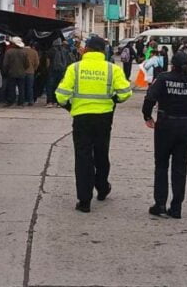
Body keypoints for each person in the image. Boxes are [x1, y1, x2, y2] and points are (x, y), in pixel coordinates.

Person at [55, 36, 132, 213]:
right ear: (103, 51)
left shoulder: (75, 68)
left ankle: (84, 201)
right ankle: (102, 188)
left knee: (83, 158)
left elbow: (60, 96)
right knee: (101, 154)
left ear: (87, 49)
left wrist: (72, 107)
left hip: (81, 118)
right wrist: (113, 100)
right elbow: (125, 93)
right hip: (104, 118)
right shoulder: (112, 69)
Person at [143, 51, 187, 219]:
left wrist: (147, 116)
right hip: (186, 125)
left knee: (161, 165)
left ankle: (160, 204)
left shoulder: (163, 78)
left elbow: (149, 98)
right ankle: (176, 207)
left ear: (172, 64)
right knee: (180, 167)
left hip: (166, 124)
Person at [3, 37, 29, 106]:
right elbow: (27, 64)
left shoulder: (9, 52)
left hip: (11, 73)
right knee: (21, 88)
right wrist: (23, 69)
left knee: (11, 88)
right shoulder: (24, 52)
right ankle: (21, 102)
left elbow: (5, 64)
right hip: (22, 73)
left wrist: (6, 71)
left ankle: (11, 101)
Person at [46, 39, 69, 107]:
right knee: (59, 86)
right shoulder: (65, 51)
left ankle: (50, 102)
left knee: (50, 86)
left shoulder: (51, 50)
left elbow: (48, 62)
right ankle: (58, 102)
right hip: (61, 70)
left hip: (52, 70)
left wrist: (47, 69)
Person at [24, 41, 40, 106]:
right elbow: (37, 63)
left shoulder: (22, 51)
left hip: (22, 72)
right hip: (31, 72)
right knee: (30, 87)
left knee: (22, 86)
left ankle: (21, 100)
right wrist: (34, 69)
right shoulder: (34, 52)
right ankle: (30, 100)